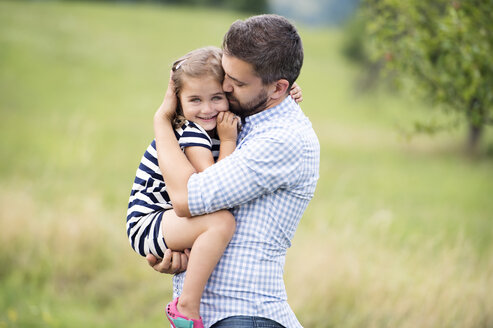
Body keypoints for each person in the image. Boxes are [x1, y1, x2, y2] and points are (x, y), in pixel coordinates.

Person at [150, 14, 320, 328]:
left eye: (238, 83)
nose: (225, 87)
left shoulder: (281, 140)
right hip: (222, 315)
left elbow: (188, 198)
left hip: (244, 315)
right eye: (226, 74)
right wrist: (172, 247)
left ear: (279, 88)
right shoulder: (242, 118)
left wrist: (162, 120)